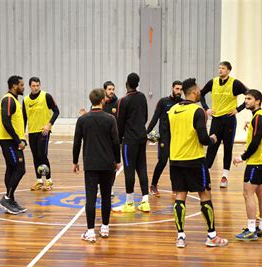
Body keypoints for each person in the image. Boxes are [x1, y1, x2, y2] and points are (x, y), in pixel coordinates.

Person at [168, 78, 228, 248]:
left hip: (175, 159)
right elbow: (203, 138)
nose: (201, 92)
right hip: (194, 160)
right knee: (205, 194)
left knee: (180, 196)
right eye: (199, 90)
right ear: (194, 92)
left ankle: (180, 237)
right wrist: (213, 139)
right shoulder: (198, 110)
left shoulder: (173, 110)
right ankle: (212, 236)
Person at [73, 88, 121, 242]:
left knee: (91, 198)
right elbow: (116, 142)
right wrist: (118, 160)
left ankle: (90, 232)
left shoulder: (83, 120)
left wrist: (75, 161)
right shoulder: (110, 119)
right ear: (102, 100)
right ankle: (105, 228)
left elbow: (76, 143)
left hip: (91, 165)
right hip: (108, 164)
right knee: (106, 197)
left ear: (91, 101)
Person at [233, 89, 262, 241]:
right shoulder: (260, 117)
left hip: (256, 162)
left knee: (248, 193)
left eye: (249, 99)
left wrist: (242, 157)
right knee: (261, 194)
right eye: (245, 99)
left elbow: (255, 143)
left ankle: (251, 229)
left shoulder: (259, 119)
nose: (246, 101)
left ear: (257, 101)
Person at [200, 61, 248, 188]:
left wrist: (239, 109)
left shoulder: (235, 83)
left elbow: (249, 94)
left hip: (229, 120)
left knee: (228, 147)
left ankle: (225, 176)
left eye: (223, 68)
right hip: (216, 119)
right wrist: (206, 108)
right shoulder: (213, 82)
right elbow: (201, 94)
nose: (220, 70)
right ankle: (206, 175)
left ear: (228, 70)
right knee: (212, 147)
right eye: (219, 68)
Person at [112, 73, 150, 213]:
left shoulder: (123, 101)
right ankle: (145, 201)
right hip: (142, 137)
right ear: (137, 84)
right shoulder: (142, 97)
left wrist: (119, 139)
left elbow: (119, 124)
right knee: (142, 168)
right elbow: (145, 117)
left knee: (129, 169)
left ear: (126, 83)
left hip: (130, 140)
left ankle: (129, 203)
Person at [146, 80, 183, 196]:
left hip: (177, 138)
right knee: (162, 161)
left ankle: (175, 187)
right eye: (177, 89)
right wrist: (146, 133)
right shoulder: (163, 102)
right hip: (164, 137)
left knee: (175, 163)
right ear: (172, 88)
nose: (179, 91)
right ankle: (153, 185)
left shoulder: (183, 103)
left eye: (181, 89)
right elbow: (154, 118)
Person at [0, 76, 27, 214]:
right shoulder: (8, 99)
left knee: (11, 169)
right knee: (20, 169)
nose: (23, 87)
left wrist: (22, 138)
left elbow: (16, 122)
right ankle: (7, 198)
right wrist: (17, 140)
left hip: (12, 140)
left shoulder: (14, 100)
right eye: (21, 85)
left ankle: (10, 199)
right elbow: (6, 121)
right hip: (9, 141)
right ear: (14, 86)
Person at [23, 77, 60, 191]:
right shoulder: (25, 100)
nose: (36, 88)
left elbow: (56, 111)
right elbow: (24, 118)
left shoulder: (46, 96)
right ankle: (39, 180)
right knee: (35, 156)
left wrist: (49, 125)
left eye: (38, 85)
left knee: (42, 155)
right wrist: (22, 134)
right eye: (34, 86)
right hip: (32, 132)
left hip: (43, 132)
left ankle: (49, 181)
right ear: (30, 86)